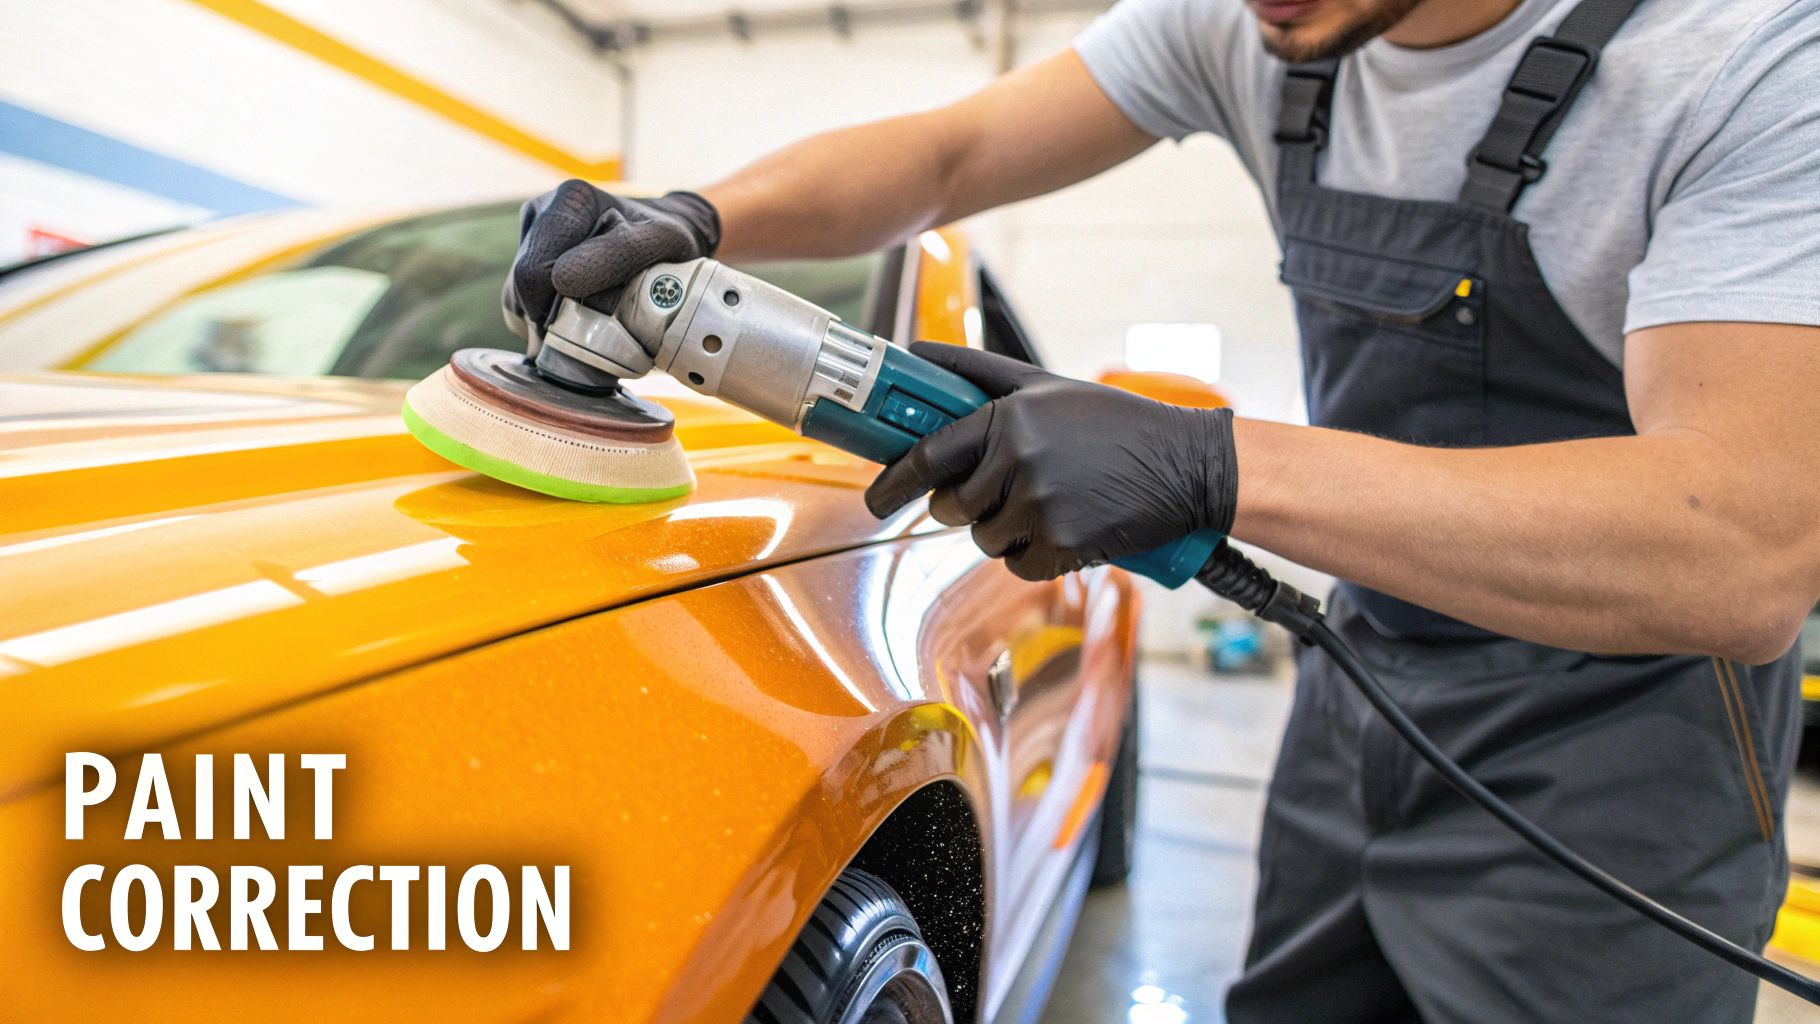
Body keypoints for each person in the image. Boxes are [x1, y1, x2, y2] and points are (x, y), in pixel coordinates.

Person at [502, 0, 1820, 1019]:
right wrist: (693, 216)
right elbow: (949, 150)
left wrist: (1208, 463)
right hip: (1365, 684)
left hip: (1630, 745)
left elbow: (1739, 546)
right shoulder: (1262, 26)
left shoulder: (1735, 66)